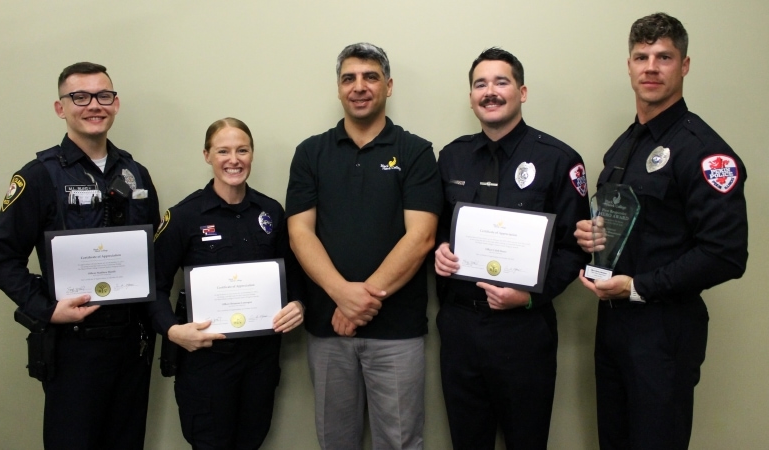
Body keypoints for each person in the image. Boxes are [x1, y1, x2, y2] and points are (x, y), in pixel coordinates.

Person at [574, 13, 748, 450]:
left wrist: (638, 286)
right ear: (629, 66)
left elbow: (725, 252)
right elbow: (631, 224)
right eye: (641, 56)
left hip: (664, 330)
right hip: (613, 325)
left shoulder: (705, 152)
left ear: (684, 65)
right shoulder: (625, 145)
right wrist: (596, 240)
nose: (651, 67)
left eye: (664, 57)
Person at [0, 62, 160, 450]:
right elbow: (2, 262)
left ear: (116, 104)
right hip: (74, 344)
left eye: (103, 96)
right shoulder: (38, 176)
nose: (93, 105)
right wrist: (48, 309)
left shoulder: (136, 174)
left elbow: (149, 257)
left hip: (132, 343)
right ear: (60, 107)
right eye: (79, 97)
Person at [285, 42, 442, 449]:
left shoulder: (416, 151)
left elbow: (421, 236)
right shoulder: (310, 153)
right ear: (338, 89)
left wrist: (358, 304)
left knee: (401, 442)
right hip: (327, 329)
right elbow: (300, 233)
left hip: (397, 333)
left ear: (388, 86)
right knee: (336, 442)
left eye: (370, 77)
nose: (359, 86)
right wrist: (342, 296)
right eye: (349, 78)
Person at [434, 48, 591, 450]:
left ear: (521, 92)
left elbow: (576, 250)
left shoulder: (559, 159)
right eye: (480, 84)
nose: (490, 92)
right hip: (460, 327)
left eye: (500, 82)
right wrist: (439, 251)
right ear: (471, 96)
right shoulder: (451, 157)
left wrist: (528, 297)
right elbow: (436, 230)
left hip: (524, 331)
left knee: (527, 440)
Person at [148, 117, 305, 449]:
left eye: (242, 150)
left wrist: (298, 305)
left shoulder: (271, 213)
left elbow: (293, 277)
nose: (234, 159)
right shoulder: (184, 217)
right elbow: (154, 286)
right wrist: (173, 332)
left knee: (252, 440)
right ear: (207, 155)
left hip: (260, 361)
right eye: (223, 151)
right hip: (206, 362)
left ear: (252, 154)